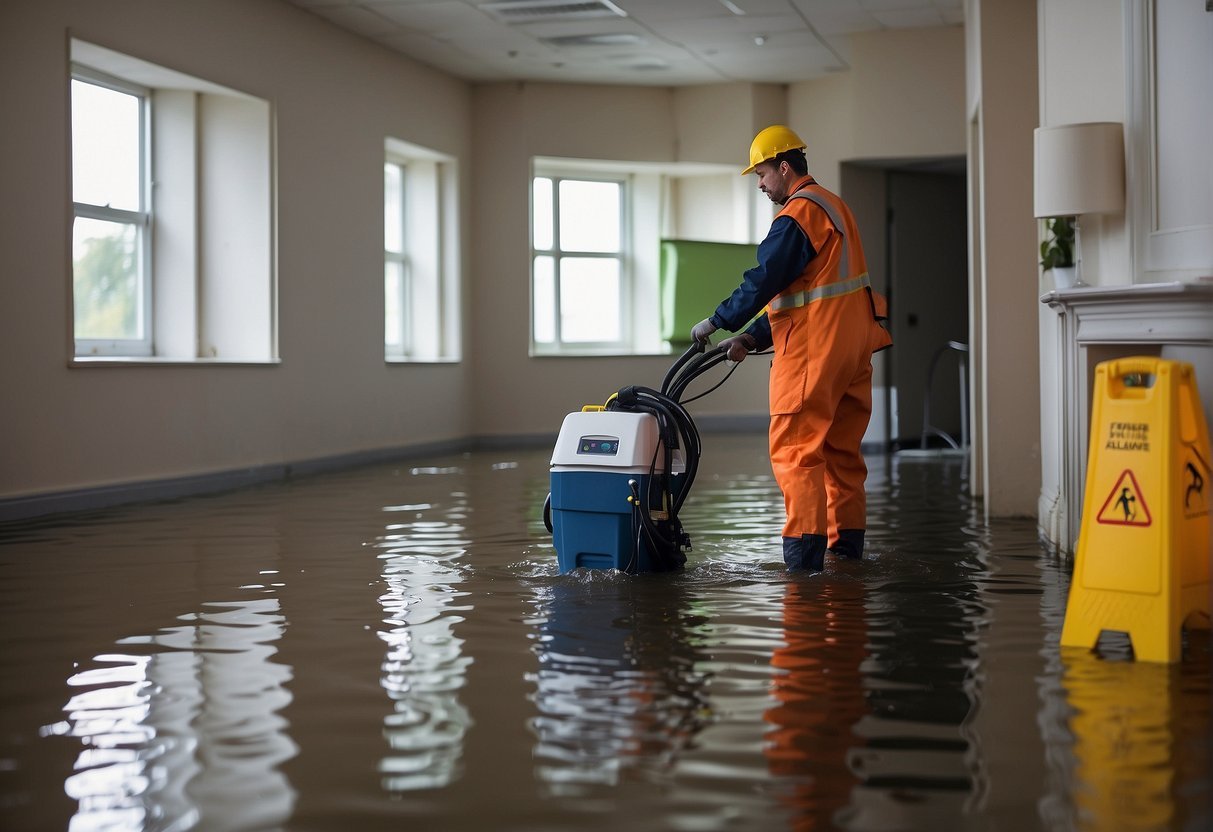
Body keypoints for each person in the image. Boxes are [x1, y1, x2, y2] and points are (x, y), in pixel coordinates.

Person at [691, 125, 892, 572]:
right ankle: (846, 560)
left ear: (784, 167)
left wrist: (720, 321)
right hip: (852, 350)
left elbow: (765, 280)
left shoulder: (797, 214)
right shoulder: (834, 207)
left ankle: (804, 574)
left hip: (814, 353)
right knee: (842, 456)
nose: (760, 184)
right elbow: (805, 291)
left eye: (761, 173)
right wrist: (751, 337)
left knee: (797, 452)